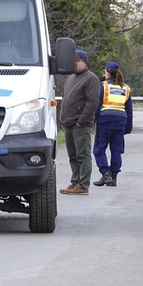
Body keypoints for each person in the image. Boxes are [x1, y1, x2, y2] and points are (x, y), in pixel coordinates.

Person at [59, 50, 101, 196]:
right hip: (68, 123)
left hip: (80, 124)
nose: (75, 63)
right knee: (73, 155)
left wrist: (81, 121)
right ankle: (75, 181)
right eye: (73, 60)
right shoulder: (70, 78)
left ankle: (83, 185)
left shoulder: (91, 79)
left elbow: (92, 102)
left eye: (77, 60)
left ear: (84, 61)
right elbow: (65, 99)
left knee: (83, 155)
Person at [93, 61, 133, 187]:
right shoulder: (126, 88)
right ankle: (113, 177)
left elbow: (97, 105)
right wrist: (128, 127)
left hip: (105, 122)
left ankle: (106, 174)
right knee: (116, 151)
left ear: (108, 73)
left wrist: (93, 120)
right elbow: (129, 110)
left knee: (99, 150)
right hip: (120, 122)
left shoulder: (103, 86)